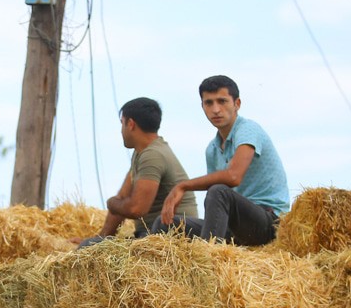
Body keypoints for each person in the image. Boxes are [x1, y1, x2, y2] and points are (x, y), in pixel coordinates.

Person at [160, 75, 289, 246]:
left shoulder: (248, 129)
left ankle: (206, 258)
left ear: (237, 104)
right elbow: (216, 205)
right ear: (202, 106)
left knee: (219, 192)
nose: (216, 109)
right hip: (235, 226)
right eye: (209, 103)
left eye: (222, 101)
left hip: (269, 223)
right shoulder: (212, 149)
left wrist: (183, 185)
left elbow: (233, 176)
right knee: (165, 224)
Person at [75, 97, 198, 248]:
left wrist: (111, 203)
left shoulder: (152, 155)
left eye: (122, 124)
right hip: (152, 236)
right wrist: (98, 241)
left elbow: (136, 208)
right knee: (89, 246)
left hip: (169, 240)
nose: (121, 130)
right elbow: (123, 198)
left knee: (87, 246)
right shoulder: (142, 152)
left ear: (131, 124)